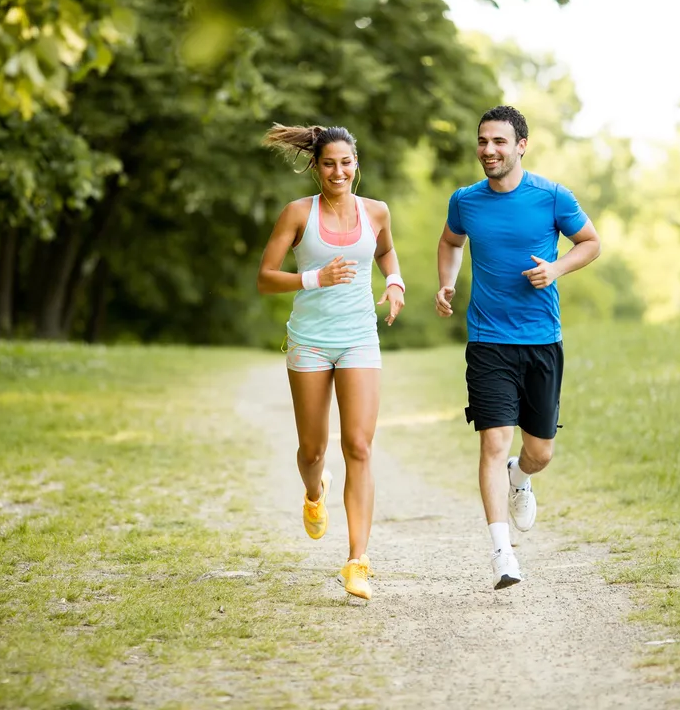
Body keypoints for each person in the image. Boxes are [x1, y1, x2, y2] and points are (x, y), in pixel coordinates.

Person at [434, 105, 601, 590]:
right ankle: (502, 554)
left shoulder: (551, 196)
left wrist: (556, 269)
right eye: (483, 141)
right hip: (488, 341)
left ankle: (521, 478)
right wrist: (447, 282)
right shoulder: (465, 201)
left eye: (499, 142)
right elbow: (450, 242)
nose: (489, 150)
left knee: (540, 452)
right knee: (492, 441)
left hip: (541, 340)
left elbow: (590, 242)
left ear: (521, 146)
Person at [257, 123, 405, 601]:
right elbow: (265, 277)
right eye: (328, 163)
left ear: (355, 164)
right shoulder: (298, 213)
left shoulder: (376, 211)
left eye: (346, 162)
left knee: (359, 446)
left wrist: (396, 280)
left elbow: (384, 251)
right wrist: (314, 278)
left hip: (360, 338)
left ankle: (357, 561)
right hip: (311, 342)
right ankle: (314, 491)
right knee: (313, 451)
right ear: (316, 166)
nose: (338, 171)